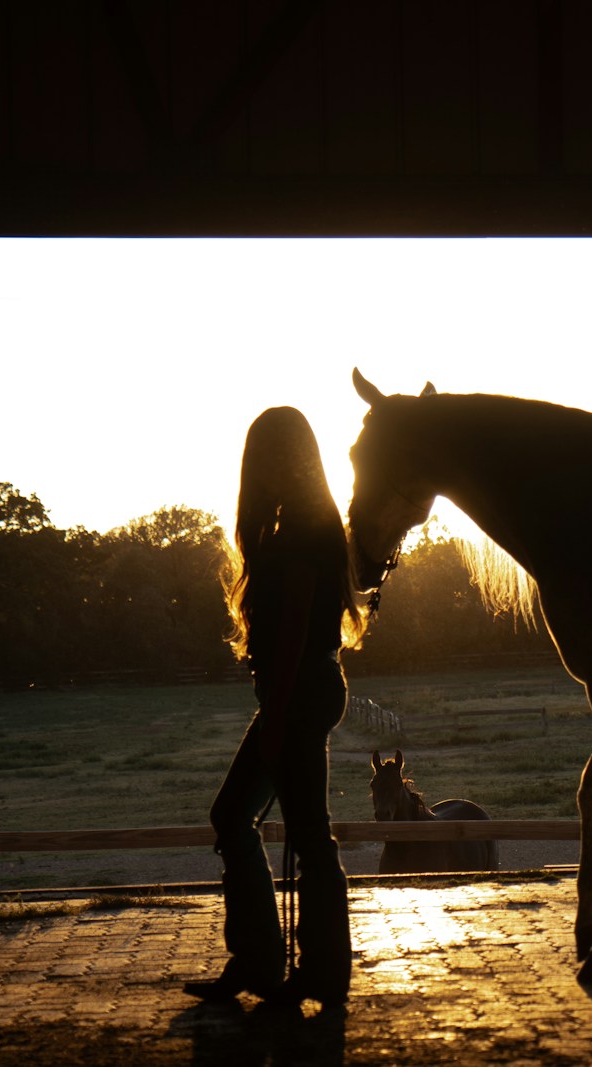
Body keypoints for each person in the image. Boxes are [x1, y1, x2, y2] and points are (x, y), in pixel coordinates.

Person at [184, 406, 366, 1009]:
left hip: (299, 690)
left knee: (262, 821)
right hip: (307, 687)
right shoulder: (308, 523)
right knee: (272, 824)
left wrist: (278, 711)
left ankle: (292, 965)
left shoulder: (301, 531)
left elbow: (292, 629)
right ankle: (291, 965)